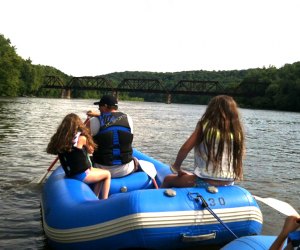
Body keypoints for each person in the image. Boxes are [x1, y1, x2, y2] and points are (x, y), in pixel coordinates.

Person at [161, 95, 245, 188]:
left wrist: (176, 166)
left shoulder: (205, 126)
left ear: (211, 110)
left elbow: (185, 148)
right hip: (229, 182)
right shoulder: (237, 132)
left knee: (168, 179)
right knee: (193, 175)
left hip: (205, 181)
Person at [46, 113, 111, 199]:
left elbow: (51, 150)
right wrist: (87, 136)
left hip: (69, 173)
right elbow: (91, 150)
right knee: (107, 174)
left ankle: (95, 197)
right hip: (81, 175)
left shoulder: (60, 140)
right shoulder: (81, 138)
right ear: (78, 125)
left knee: (98, 172)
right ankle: (105, 199)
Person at [86, 95, 136, 178]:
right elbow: (112, 119)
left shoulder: (93, 121)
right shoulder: (128, 119)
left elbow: (83, 143)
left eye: (99, 106)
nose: (98, 109)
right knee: (136, 161)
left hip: (101, 169)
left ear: (105, 106)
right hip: (126, 170)